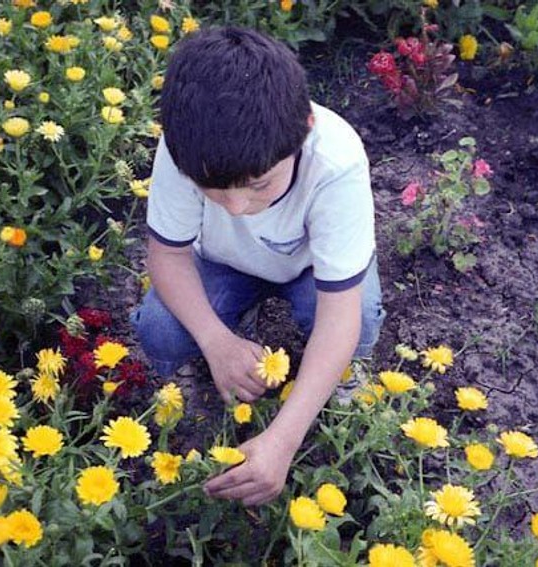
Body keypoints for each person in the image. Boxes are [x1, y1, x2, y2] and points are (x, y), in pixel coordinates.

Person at [129, 26, 385, 506]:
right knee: (161, 330)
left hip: (311, 271)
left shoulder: (337, 162)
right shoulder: (188, 146)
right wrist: (215, 340)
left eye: (258, 186)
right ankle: (221, 345)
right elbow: (167, 255)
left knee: (361, 317)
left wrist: (281, 441)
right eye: (214, 191)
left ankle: (347, 373)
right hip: (222, 263)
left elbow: (340, 314)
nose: (236, 207)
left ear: (304, 129)